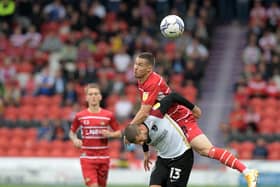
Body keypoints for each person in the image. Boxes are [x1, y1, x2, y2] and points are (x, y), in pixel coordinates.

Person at [131, 52, 258, 187]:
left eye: (140, 65)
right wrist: (146, 152)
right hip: (168, 121)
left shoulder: (152, 82)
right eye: (135, 64)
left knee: (206, 150)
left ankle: (247, 171)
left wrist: (129, 128)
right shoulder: (141, 81)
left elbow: (145, 111)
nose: (135, 67)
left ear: (149, 69)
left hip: (180, 119)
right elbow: (145, 116)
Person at [124, 92, 196, 187]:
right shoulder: (140, 134)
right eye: (139, 143)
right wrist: (146, 154)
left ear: (141, 129)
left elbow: (173, 96)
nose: (142, 143)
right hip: (163, 159)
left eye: (140, 140)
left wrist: (194, 108)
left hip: (181, 156)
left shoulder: (155, 115)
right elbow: (142, 139)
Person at [69, 83, 122, 187]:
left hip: (103, 158)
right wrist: (74, 139)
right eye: (90, 94)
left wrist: (110, 134)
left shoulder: (108, 115)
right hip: (87, 158)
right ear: (86, 97)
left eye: (96, 94)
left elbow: (119, 133)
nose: (93, 96)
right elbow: (71, 132)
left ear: (100, 97)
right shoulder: (80, 116)